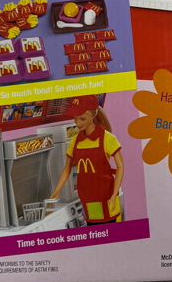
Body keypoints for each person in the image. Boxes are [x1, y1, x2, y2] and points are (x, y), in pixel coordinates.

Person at [48, 95, 124, 224]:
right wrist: (56, 192)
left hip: (107, 195)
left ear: (93, 116)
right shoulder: (75, 141)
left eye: (82, 119)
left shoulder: (108, 139)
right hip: (88, 197)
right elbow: (67, 168)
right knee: (94, 227)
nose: (77, 123)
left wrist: (114, 193)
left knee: (110, 228)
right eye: (75, 118)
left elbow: (120, 167)